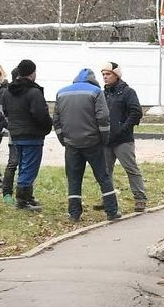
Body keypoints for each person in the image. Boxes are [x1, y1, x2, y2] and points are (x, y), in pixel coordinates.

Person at [53, 67, 120, 222]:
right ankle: (111, 210)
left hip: (71, 144)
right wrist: (104, 139)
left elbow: (56, 120)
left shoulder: (61, 93)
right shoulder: (96, 92)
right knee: (103, 176)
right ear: (93, 79)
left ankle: (74, 213)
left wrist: (63, 139)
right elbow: (103, 118)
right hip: (93, 143)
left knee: (74, 178)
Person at [1, 59, 52, 211]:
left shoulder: (8, 92)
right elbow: (40, 114)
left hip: (16, 134)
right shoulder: (34, 92)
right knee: (29, 168)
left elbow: (6, 112)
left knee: (23, 166)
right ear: (32, 73)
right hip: (32, 135)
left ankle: (27, 196)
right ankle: (23, 199)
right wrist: (47, 127)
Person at [99, 61, 147, 213]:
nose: (105, 77)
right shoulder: (103, 93)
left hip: (123, 140)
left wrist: (123, 128)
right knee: (105, 172)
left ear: (116, 75)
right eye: (103, 74)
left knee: (131, 168)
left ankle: (140, 198)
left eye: (108, 74)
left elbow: (136, 112)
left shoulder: (128, 92)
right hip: (106, 140)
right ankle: (107, 198)